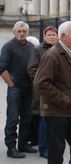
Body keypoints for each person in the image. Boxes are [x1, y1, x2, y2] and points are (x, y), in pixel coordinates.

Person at [34, 21, 71, 164]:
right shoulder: (52, 55)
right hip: (57, 113)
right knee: (56, 153)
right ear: (63, 36)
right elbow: (41, 83)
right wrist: (65, 100)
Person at [0, 21, 35, 158]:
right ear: (14, 32)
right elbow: (2, 68)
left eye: (24, 31)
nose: (21, 33)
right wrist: (11, 85)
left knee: (27, 118)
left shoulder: (32, 47)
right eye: (19, 31)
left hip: (29, 88)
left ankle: (23, 144)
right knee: (13, 119)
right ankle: (11, 147)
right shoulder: (8, 47)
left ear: (27, 32)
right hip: (15, 89)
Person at [27, 26, 58, 159]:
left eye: (54, 34)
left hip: (58, 91)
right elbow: (31, 69)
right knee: (44, 119)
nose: (51, 37)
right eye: (49, 35)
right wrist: (42, 84)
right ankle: (43, 148)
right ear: (44, 37)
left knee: (55, 120)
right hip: (43, 92)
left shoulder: (59, 49)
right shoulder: (37, 50)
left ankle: (52, 145)